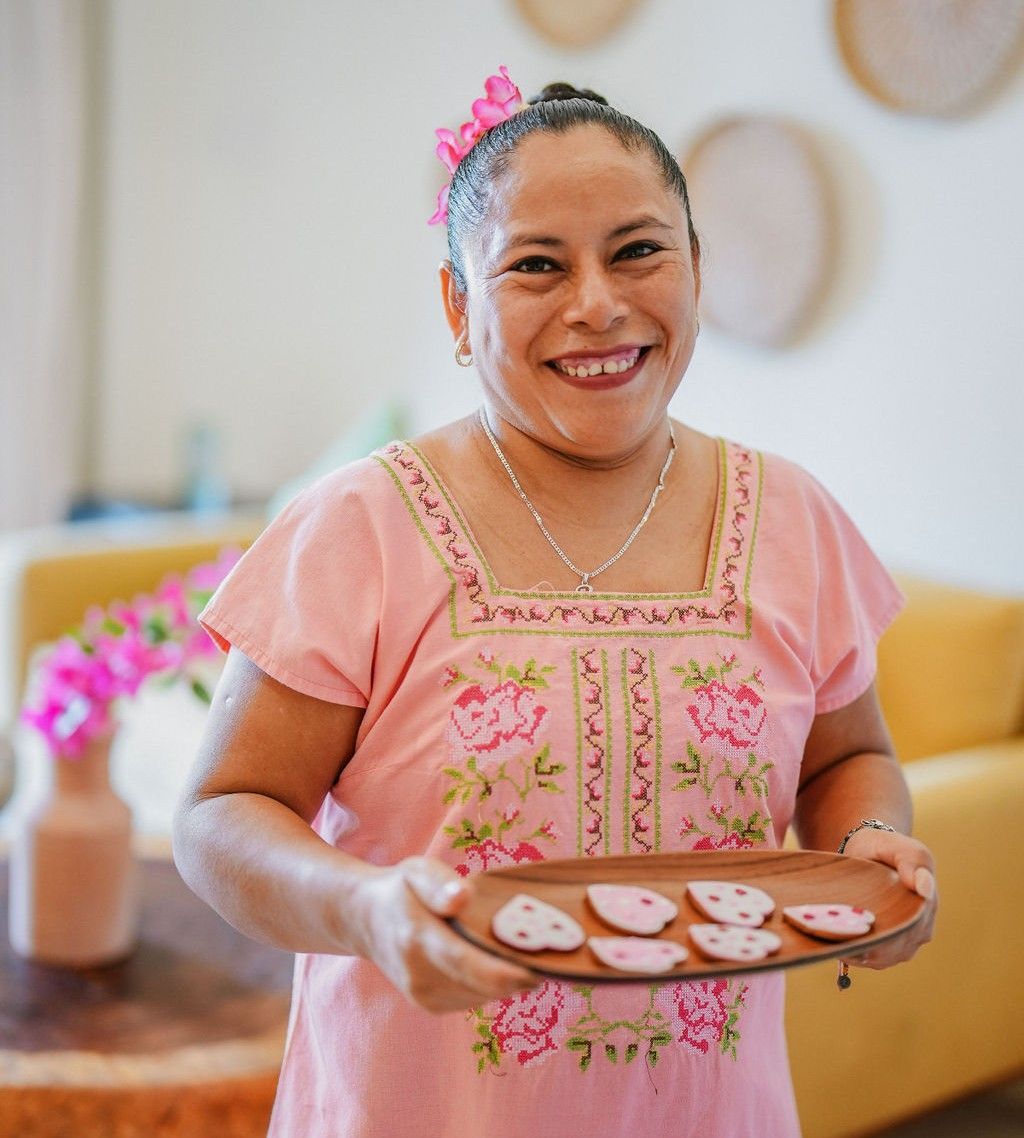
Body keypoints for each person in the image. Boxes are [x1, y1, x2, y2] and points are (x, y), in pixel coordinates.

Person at [173, 71, 936, 1138]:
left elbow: (844, 759)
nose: (596, 303)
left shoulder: (792, 519)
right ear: (457, 303)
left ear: (696, 270)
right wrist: (365, 908)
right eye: (535, 265)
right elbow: (218, 817)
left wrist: (868, 850)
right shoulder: (361, 524)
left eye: (637, 251)